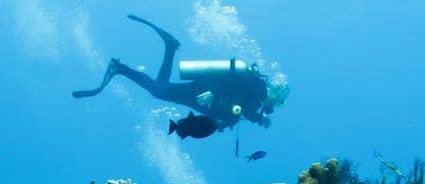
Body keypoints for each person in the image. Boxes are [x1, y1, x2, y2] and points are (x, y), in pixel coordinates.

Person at [73, 15, 289, 131]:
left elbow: (243, 112)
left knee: (161, 88)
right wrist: (212, 92)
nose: (276, 103)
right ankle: (120, 68)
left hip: (203, 103)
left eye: (279, 102)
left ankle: (169, 46)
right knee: (159, 91)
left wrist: (260, 120)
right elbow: (228, 78)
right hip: (203, 93)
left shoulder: (256, 100)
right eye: (279, 97)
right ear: (273, 89)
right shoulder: (253, 84)